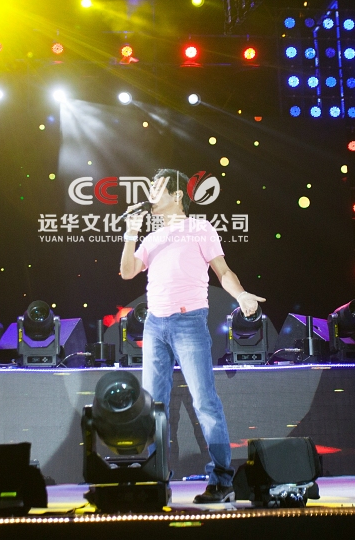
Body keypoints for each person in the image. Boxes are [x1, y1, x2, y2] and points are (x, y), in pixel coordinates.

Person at [119, 168, 265, 504]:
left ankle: (222, 482)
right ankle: (156, 482)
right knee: (153, 405)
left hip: (189, 322)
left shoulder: (200, 228)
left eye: (156, 188)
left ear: (176, 195)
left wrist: (241, 295)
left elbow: (223, 271)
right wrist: (130, 233)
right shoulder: (152, 238)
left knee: (204, 401)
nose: (150, 195)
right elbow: (127, 271)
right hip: (154, 325)